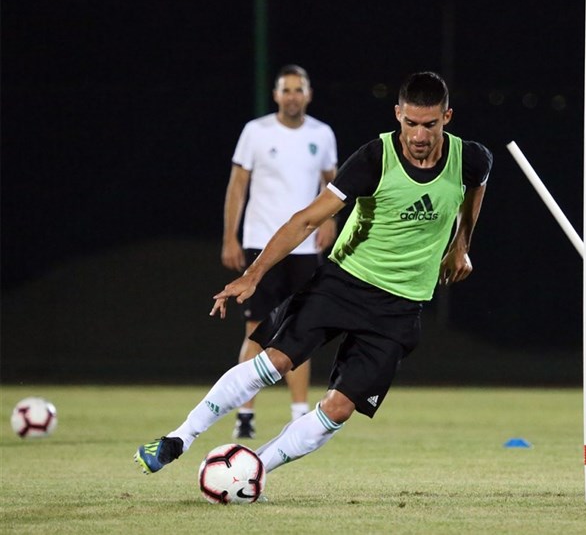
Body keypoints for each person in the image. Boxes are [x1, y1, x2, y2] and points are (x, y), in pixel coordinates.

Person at [134, 71, 492, 480]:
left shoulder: (472, 158)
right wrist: (253, 273)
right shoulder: (374, 159)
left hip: (402, 305)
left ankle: (251, 471)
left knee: (339, 409)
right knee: (273, 361)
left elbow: (477, 185)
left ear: (447, 117)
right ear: (398, 114)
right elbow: (306, 220)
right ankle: (177, 438)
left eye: (430, 124)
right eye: (410, 123)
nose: (419, 135)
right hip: (345, 283)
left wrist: (461, 244)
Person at [221, 64, 338, 438]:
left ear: (308, 94)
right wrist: (230, 237)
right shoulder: (256, 132)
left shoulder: (322, 134)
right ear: (275, 95)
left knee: (301, 331)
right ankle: (245, 415)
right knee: (256, 330)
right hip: (261, 245)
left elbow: (333, 185)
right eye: (285, 90)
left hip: (304, 249)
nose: (292, 96)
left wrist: (330, 221)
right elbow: (237, 186)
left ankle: (299, 413)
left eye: (298, 89)